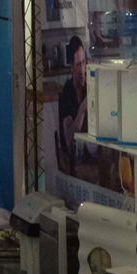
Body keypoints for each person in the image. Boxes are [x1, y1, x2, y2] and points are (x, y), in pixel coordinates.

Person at [58, 35, 88, 176]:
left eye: (83, 63)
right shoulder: (67, 92)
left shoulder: (90, 86)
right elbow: (69, 138)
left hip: (91, 154)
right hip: (74, 161)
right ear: (71, 67)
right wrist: (82, 110)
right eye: (78, 65)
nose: (82, 70)